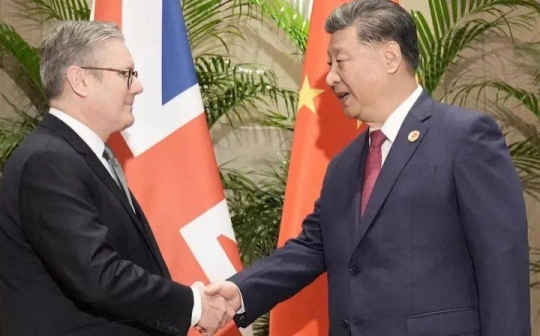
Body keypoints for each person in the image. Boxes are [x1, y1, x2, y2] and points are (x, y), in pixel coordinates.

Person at [205, 1, 531, 335]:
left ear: (389, 57)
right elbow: (309, 248)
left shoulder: (465, 137)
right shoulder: (343, 165)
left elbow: (502, 268)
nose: (330, 77)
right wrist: (240, 292)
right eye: (329, 63)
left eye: (339, 61)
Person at [0, 21, 232, 336]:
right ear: (80, 80)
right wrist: (194, 305)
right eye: (126, 74)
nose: (138, 86)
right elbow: (98, 276)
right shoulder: (49, 162)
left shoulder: (82, 156)